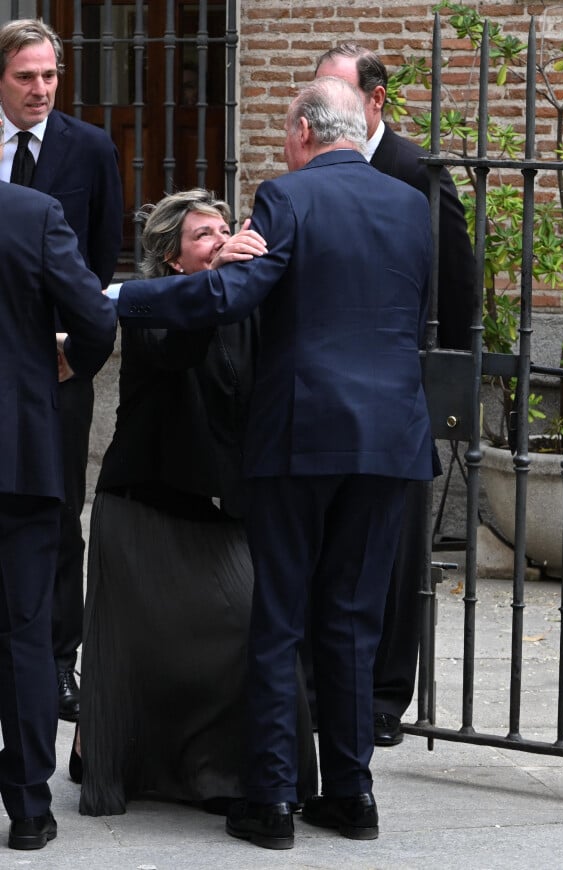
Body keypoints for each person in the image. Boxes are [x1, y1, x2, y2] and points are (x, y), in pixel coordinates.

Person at [110, 76, 436, 850]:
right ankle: (353, 796)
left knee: (281, 616)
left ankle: (273, 801)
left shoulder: (287, 198)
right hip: (391, 437)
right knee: (354, 619)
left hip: (302, 434)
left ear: (301, 133)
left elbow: (232, 296)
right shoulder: (410, 204)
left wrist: (126, 296)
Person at [74, 189, 318, 818]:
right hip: (148, 503)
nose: (220, 242)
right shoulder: (154, 308)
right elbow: (174, 351)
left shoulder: (245, 306)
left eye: (223, 230)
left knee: (253, 635)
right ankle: (152, 762)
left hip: (220, 507)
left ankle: (232, 771)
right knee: (154, 652)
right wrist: (216, 281)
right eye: (203, 236)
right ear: (172, 259)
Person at [315, 43, 476, 747]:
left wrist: (434, 384)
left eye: (337, 94)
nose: (322, 109)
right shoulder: (312, 168)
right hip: (326, 391)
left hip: (397, 389)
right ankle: (324, 686)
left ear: (374, 102)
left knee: (395, 550)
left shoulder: (416, 173)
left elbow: (457, 288)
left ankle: (383, 694)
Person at [0, 18, 124, 723]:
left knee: (56, 509)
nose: (41, 90)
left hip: (60, 371)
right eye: (26, 77)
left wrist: (76, 351)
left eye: (50, 76)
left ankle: (56, 659)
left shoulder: (90, 147)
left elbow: (102, 259)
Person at [0, 108, 116, 851]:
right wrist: (66, 361)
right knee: (24, 632)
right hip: (21, 453)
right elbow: (96, 315)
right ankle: (30, 808)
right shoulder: (33, 215)